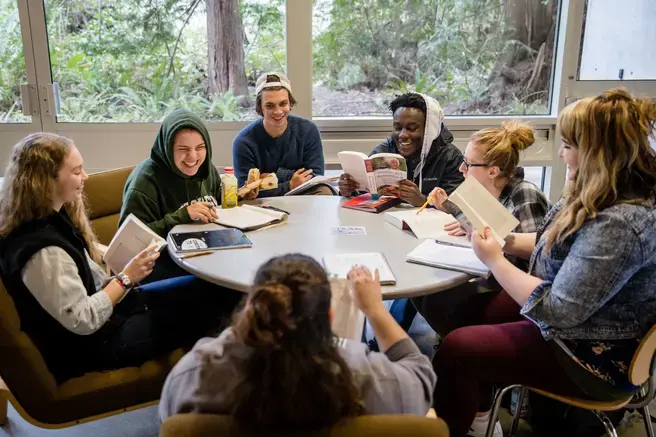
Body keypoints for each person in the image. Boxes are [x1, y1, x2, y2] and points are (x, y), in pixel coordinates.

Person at [431, 89, 656, 437]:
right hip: (579, 322)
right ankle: (479, 415)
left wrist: (494, 260)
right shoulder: (601, 191)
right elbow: (556, 245)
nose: (562, 153)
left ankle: (463, 422)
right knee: (466, 313)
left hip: (593, 356)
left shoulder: (620, 222)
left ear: (597, 152)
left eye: (569, 145)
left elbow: (557, 309)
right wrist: (503, 241)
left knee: (456, 349)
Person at [0, 133, 239, 383]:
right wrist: (126, 278)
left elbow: (85, 278)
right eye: (77, 171)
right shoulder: (43, 251)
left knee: (213, 288)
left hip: (113, 315)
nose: (86, 177)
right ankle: (218, 388)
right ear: (44, 181)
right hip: (96, 346)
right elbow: (83, 320)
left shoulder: (49, 219)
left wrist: (120, 269)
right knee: (218, 305)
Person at [160, 254, 436, 431]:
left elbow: (169, 417)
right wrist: (374, 310)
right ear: (330, 316)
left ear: (252, 308)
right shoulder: (366, 373)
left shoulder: (195, 371)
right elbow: (421, 377)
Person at [412, 122, 551, 337]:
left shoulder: (524, 195)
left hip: (514, 288)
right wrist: (453, 211)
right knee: (422, 291)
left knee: (437, 300)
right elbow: (486, 228)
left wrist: (492, 250)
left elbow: (536, 260)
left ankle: (456, 344)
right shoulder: (486, 192)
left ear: (493, 170)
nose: (461, 169)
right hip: (490, 270)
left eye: (467, 163)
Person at [120, 108, 221, 281]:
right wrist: (181, 216)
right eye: (183, 149)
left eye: (200, 147)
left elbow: (219, 205)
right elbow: (127, 245)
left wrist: (239, 195)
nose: (193, 157)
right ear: (167, 148)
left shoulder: (205, 168)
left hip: (205, 255)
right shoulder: (144, 183)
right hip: (162, 272)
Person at [338, 92, 464, 207]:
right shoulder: (382, 152)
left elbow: (456, 208)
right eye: (398, 127)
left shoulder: (450, 157)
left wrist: (423, 201)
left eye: (412, 128)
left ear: (429, 130)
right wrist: (350, 190)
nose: (402, 135)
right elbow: (365, 197)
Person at [232, 73, 327, 198]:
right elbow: (244, 189)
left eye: (283, 104)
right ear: (260, 107)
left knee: (324, 190)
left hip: (303, 193)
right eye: (269, 106)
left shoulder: (308, 130)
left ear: (290, 103)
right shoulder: (244, 141)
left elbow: (315, 177)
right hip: (262, 202)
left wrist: (275, 176)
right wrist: (290, 185)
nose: (277, 111)